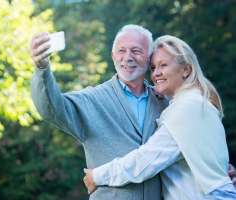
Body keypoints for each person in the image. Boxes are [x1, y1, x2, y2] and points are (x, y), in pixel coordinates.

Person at [83, 35, 236, 199]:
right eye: (153, 68)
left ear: (186, 69)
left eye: (163, 65)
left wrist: (97, 176)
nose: (156, 73)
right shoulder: (198, 102)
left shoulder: (186, 108)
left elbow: (146, 161)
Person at [29, 24, 169, 199]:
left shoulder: (164, 103)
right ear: (112, 56)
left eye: (136, 51)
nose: (127, 57)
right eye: (121, 51)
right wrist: (41, 69)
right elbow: (52, 108)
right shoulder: (93, 99)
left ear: (150, 59)